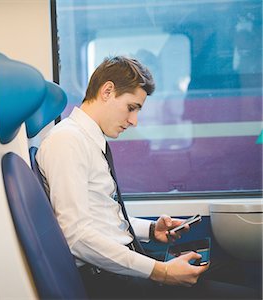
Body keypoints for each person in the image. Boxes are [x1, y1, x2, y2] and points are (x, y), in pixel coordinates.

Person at [36, 56, 259, 299]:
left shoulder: (88, 140)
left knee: (230, 269)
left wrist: (151, 230)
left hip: (120, 265)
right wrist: (161, 272)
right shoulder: (67, 141)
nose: (134, 121)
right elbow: (76, 236)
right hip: (109, 279)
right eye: (131, 108)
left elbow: (101, 214)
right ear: (107, 91)